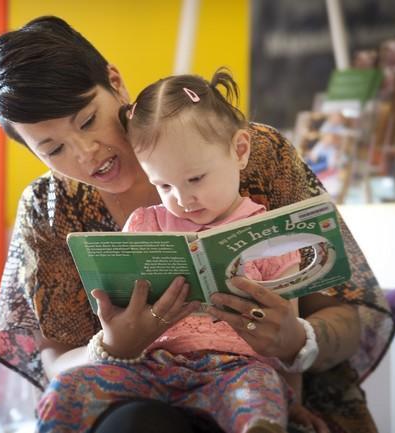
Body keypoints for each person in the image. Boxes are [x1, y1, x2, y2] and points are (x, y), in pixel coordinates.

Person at [0, 15, 395, 433]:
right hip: (139, 393)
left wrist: (295, 338)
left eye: (88, 120)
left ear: (115, 82)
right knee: (132, 423)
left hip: (255, 388)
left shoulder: (243, 151)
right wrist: (110, 346)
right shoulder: (49, 206)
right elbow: (58, 361)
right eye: (53, 149)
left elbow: (348, 313)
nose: (87, 154)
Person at [120, 70, 316, 433]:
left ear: (240, 150)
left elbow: (287, 339)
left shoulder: (272, 235)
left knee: (257, 407)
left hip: (240, 371)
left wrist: (292, 402)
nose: (182, 199)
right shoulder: (143, 227)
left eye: (195, 179)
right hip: (154, 368)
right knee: (68, 391)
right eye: (163, 185)